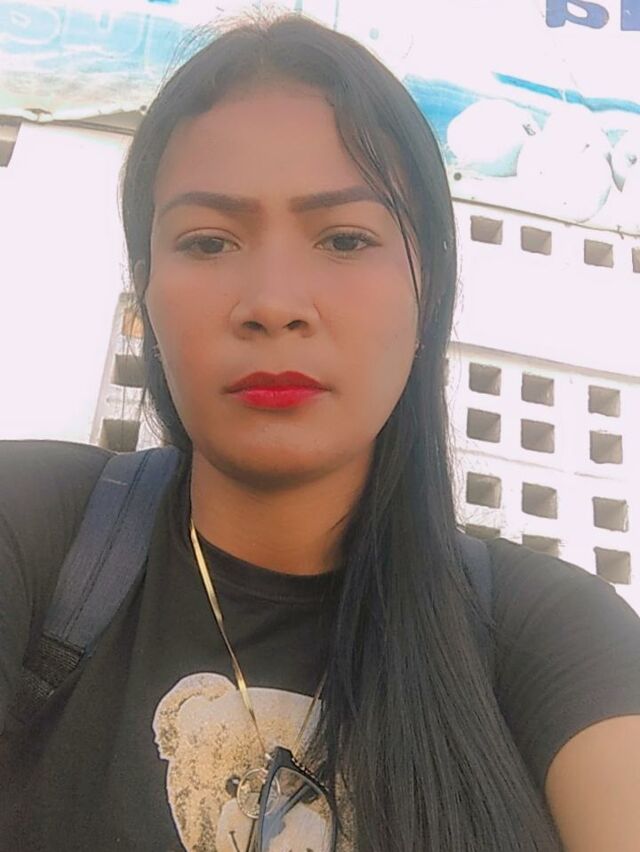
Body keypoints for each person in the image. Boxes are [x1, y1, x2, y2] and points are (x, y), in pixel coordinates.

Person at [1, 10, 639, 852]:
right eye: (209, 241)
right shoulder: (30, 531)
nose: (273, 303)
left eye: (344, 238)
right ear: (147, 293)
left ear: (426, 295)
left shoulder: (555, 635)